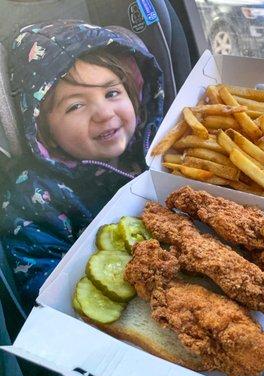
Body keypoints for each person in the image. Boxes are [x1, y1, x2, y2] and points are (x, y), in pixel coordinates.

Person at [0, 19, 163, 312]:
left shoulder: (157, 146)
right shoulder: (34, 195)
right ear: (43, 129)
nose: (103, 113)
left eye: (112, 93)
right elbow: (41, 285)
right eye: (76, 105)